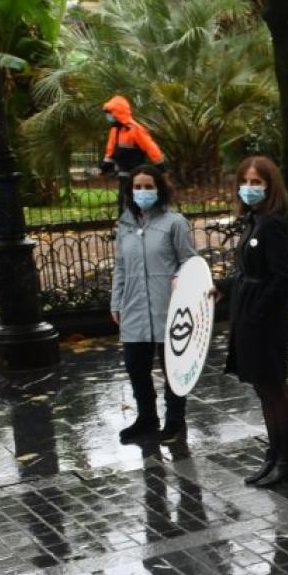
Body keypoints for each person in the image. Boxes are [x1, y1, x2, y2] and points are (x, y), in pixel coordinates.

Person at [223, 156, 288, 488]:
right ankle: (273, 453)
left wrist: (257, 313)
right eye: (246, 182)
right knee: (262, 390)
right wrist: (222, 289)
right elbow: (249, 272)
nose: (250, 188)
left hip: (264, 322)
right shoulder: (254, 221)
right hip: (247, 317)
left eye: (258, 182)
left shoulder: (273, 224)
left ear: (270, 187)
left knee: (274, 388)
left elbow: (285, 278)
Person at [109, 164, 197, 445]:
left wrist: (182, 281)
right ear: (129, 190)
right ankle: (147, 417)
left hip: (168, 306)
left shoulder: (174, 222)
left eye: (148, 187)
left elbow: (189, 260)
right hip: (134, 306)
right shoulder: (124, 226)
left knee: (173, 367)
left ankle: (174, 421)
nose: (143, 192)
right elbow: (120, 266)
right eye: (138, 187)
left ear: (159, 190)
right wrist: (116, 301)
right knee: (136, 366)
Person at [99, 96, 165, 217]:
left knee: (134, 199)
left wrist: (160, 164)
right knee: (123, 199)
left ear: (117, 113)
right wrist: (106, 164)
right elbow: (111, 149)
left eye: (110, 113)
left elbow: (150, 146)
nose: (108, 116)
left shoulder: (135, 129)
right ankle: (123, 225)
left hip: (137, 172)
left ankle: (138, 222)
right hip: (123, 172)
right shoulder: (115, 130)